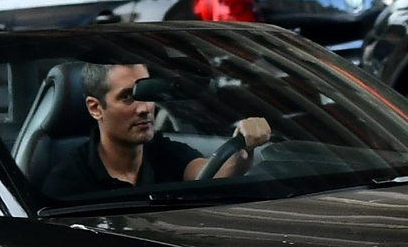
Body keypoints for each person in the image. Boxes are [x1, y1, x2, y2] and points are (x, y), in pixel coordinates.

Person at [37, 60, 271, 199]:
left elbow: (212, 173)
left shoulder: (163, 152)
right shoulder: (67, 184)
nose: (144, 108)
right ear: (95, 108)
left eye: (147, 93)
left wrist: (243, 149)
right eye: (128, 97)